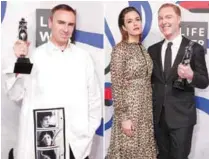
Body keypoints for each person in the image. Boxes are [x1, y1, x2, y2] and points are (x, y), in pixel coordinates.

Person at [3, 4, 101, 159]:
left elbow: (94, 101)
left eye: (70, 24)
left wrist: (87, 135)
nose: (66, 29)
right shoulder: (34, 57)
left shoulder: (84, 58)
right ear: (50, 22)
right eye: (61, 22)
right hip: (43, 145)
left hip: (76, 145)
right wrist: (21, 60)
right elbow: (15, 94)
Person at [148, 3, 209, 159]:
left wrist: (190, 75)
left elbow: (204, 81)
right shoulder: (152, 50)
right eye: (160, 18)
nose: (163, 21)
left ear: (179, 20)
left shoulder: (194, 48)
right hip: (159, 117)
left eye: (168, 17)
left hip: (182, 119)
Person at [107, 6, 157, 159]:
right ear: (124, 27)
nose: (135, 23)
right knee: (129, 151)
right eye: (130, 21)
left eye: (137, 19)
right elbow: (117, 85)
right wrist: (124, 118)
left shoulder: (142, 48)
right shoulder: (120, 50)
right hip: (130, 111)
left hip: (145, 110)